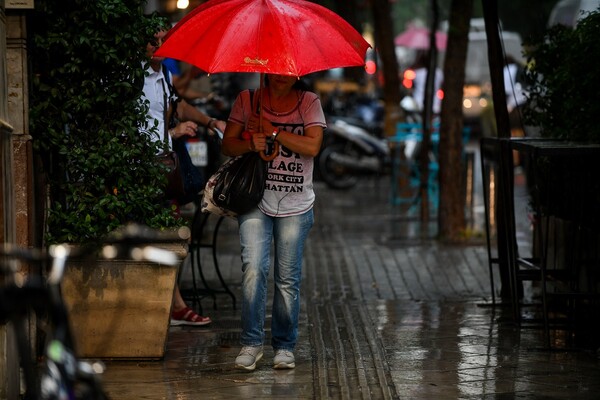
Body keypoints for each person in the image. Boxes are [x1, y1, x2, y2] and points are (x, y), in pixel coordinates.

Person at [220, 74, 326, 370]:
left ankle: (284, 345)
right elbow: (227, 145)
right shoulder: (248, 100)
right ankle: (251, 343)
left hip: (296, 204)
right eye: (275, 68)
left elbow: (313, 146)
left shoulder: (309, 103)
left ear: (297, 73)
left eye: (287, 69)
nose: (281, 75)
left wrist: (274, 132)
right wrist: (250, 144)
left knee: (287, 278)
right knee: (253, 268)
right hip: (255, 199)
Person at [142, 29, 226, 326]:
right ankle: (173, 306)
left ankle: (173, 304)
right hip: (141, 170)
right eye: (153, 40)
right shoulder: (131, 80)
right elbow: (128, 131)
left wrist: (212, 121)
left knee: (172, 234)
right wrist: (171, 133)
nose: (159, 45)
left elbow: (177, 105)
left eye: (164, 40)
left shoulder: (163, 73)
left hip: (163, 168)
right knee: (163, 235)